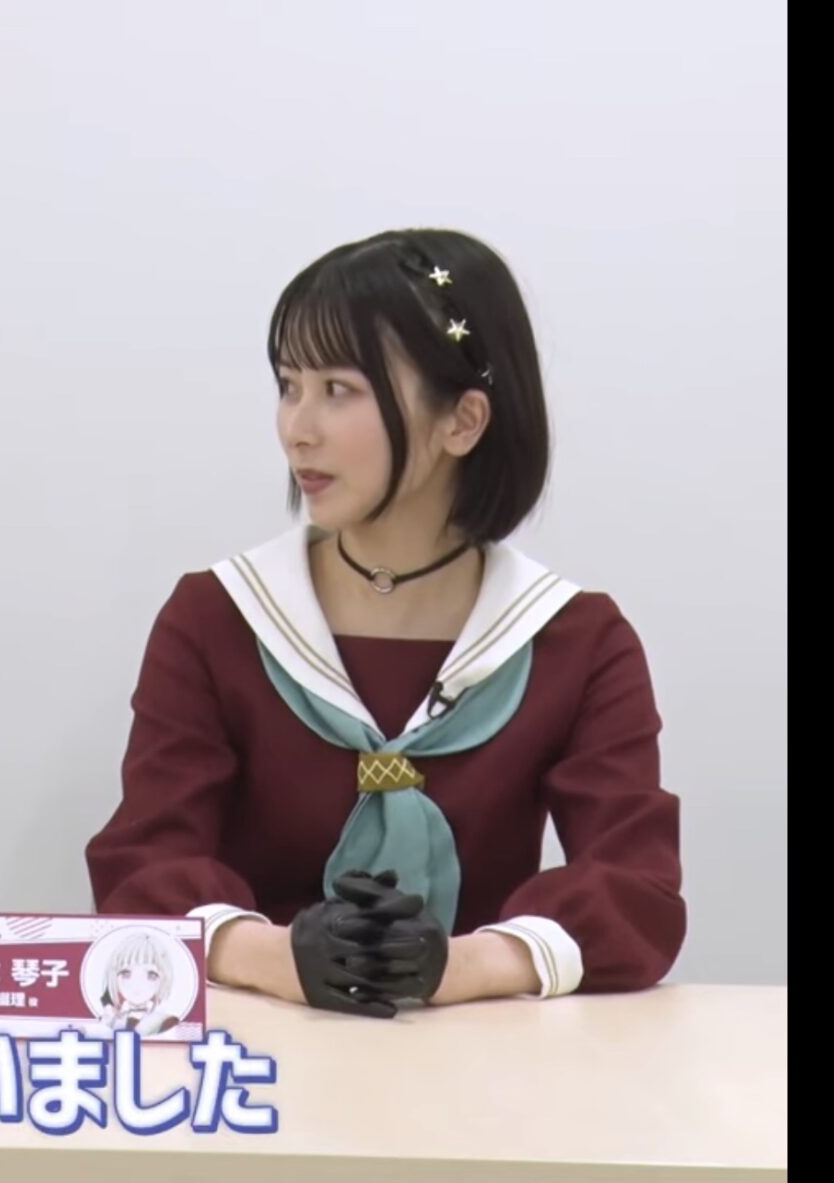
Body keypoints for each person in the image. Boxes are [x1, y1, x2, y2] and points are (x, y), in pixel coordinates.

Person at [84, 228, 684, 1018]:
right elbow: (143, 864)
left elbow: (636, 888)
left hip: (488, 1054)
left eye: (338, 389)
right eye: (289, 385)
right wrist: (276, 955)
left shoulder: (576, 641)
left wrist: (457, 964)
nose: (297, 428)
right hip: (256, 1049)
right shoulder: (218, 616)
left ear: (462, 421)